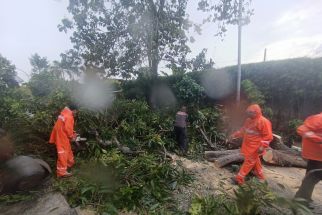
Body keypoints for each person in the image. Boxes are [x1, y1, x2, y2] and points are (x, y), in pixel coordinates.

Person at [229, 104, 273, 185]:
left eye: (250, 113)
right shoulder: (248, 120)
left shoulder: (263, 122)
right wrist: (234, 135)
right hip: (248, 145)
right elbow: (243, 130)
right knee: (254, 160)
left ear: (255, 113)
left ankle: (239, 178)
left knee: (249, 162)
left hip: (256, 147)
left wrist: (262, 147)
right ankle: (260, 175)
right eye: (248, 112)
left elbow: (268, 136)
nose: (248, 114)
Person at [295, 113, 322, 201]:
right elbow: (302, 129)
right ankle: (301, 199)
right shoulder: (318, 119)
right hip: (316, 156)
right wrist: (318, 139)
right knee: (312, 177)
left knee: (313, 177)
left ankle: (303, 197)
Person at [49, 104, 78, 178]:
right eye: (76, 111)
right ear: (74, 110)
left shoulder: (64, 114)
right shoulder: (69, 116)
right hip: (62, 137)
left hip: (60, 135)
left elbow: (63, 126)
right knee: (63, 153)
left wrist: (72, 133)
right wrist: (72, 137)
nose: (76, 113)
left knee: (67, 151)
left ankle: (69, 164)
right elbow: (68, 129)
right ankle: (62, 173)